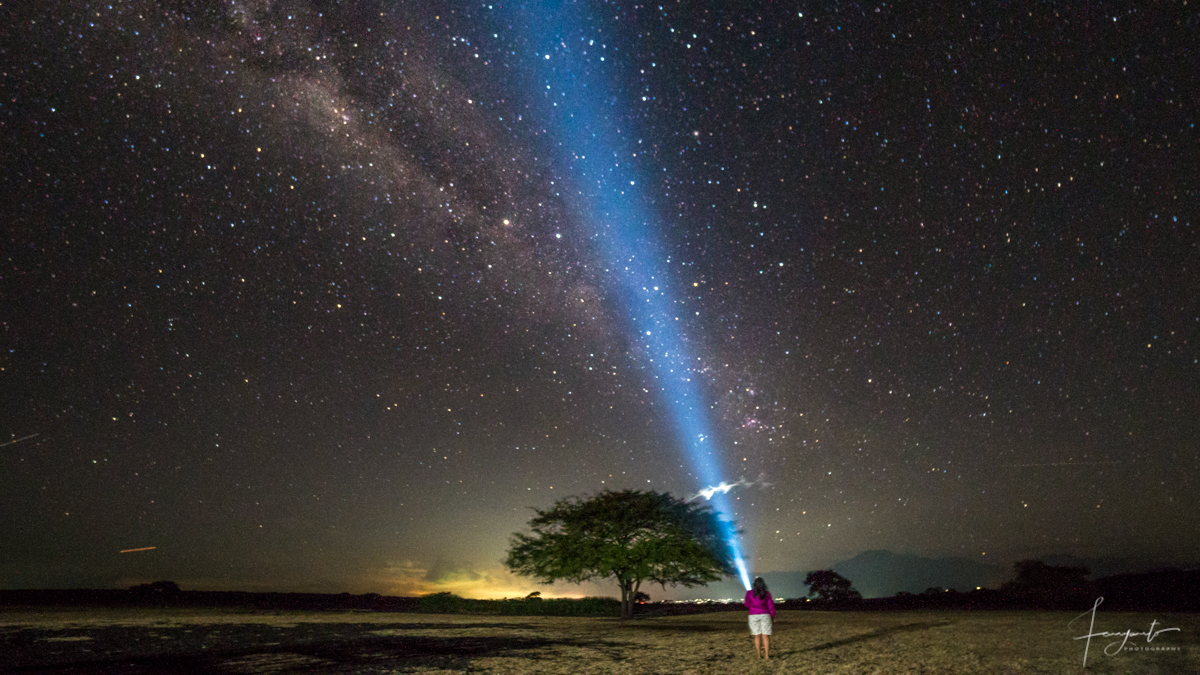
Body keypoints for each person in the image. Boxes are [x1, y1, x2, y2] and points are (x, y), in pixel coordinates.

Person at [744, 576, 775, 660]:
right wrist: (772, 616)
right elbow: (771, 606)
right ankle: (767, 656)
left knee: (756, 636)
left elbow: (746, 604)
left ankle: (758, 655)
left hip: (753, 615)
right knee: (765, 636)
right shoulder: (767, 593)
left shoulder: (749, 593)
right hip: (765, 615)